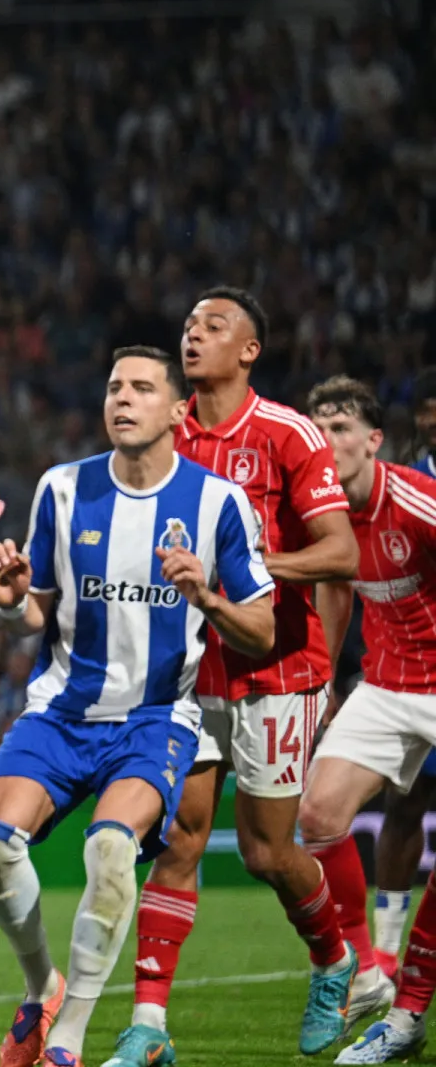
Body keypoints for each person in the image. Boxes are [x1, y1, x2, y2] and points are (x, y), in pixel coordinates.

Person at [0, 346, 276, 1067]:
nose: (123, 399)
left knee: (111, 850)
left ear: (178, 411)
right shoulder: (61, 489)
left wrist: (207, 597)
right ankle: (40, 987)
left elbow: (263, 631)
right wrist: (12, 601)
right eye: (114, 387)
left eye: (143, 388)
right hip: (62, 710)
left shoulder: (215, 504)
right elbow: (34, 615)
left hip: (155, 717)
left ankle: (69, 1039)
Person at [113, 288, 370, 1066]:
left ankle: (334, 960)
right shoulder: (165, 431)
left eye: (214, 327)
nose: (194, 337)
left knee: (266, 853)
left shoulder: (287, 434)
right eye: (188, 326)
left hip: (277, 666)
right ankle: (148, 1026)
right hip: (192, 671)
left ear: (249, 350)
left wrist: (245, 568)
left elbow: (341, 555)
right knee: (180, 840)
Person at [287, 376, 436, 1063]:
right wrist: (321, 684)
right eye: (317, 429)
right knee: (315, 816)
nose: (327, 441)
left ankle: (408, 1015)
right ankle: (363, 971)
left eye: (341, 428)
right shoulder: (320, 508)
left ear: (374, 440)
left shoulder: (414, 500)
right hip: (383, 683)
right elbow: (336, 588)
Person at [371, 366, 436, 977]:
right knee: (404, 802)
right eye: (426, 408)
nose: (432, 419)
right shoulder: (405, 483)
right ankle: (387, 949)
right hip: (410, 670)